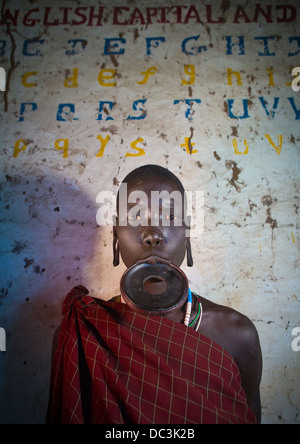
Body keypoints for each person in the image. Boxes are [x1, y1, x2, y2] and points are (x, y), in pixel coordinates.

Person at [47, 164, 262, 424]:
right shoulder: (82, 333)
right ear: (116, 235)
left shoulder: (237, 335)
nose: (153, 235)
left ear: (188, 232)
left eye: (169, 218)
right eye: (136, 218)